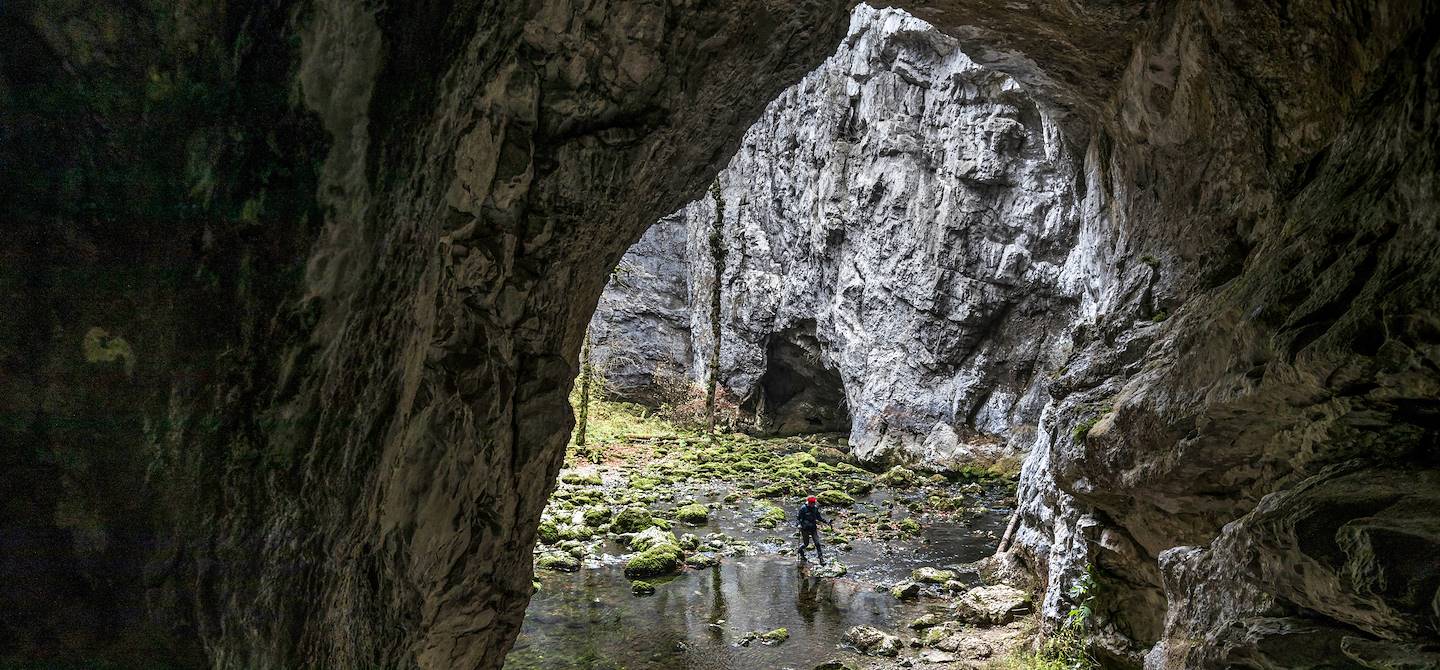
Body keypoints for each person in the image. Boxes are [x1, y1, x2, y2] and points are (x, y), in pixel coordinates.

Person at [795, 495, 833, 563]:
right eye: (811, 503)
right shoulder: (803, 508)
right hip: (805, 528)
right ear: (808, 502)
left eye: (814, 503)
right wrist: (798, 525)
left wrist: (826, 522)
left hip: (813, 528)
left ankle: (821, 559)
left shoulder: (815, 508)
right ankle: (800, 550)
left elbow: (819, 518)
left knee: (817, 543)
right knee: (806, 544)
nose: (813, 505)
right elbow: (799, 518)